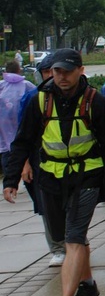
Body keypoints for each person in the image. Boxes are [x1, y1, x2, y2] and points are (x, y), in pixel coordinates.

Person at [4, 49, 105, 296]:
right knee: (68, 238)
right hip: (51, 178)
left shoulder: (95, 102)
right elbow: (22, 141)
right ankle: (88, 284)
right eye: (56, 71)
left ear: (80, 70)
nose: (61, 76)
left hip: (87, 176)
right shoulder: (39, 101)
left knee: (73, 238)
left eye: (67, 71)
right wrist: (11, 179)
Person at [4, 53, 67, 266]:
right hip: (40, 163)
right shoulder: (32, 98)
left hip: (70, 164)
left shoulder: (80, 96)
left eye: (57, 71)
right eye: (48, 72)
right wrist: (24, 165)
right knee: (46, 207)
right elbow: (22, 138)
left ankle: (75, 243)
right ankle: (58, 248)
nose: (53, 76)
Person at [0, 61, 35, 176]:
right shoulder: (27, 85)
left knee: (9, 169)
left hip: (4, 137)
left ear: (5, 71)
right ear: (19, 70)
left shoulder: (1, 86)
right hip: (24, 133)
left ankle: (9, 187)